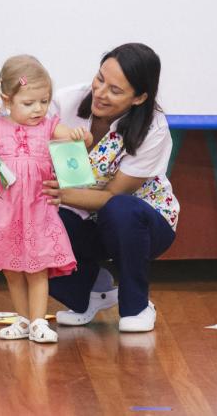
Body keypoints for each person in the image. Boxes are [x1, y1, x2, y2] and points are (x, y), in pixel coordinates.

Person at [41, 43, 179, 333]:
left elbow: (113, 196)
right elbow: (26, 145)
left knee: (120, 209)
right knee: (32, 217)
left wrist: (60, 195)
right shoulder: (65, 103)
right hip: (83, 214)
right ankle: (91, 291)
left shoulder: (153, 128)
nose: (101, 93)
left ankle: (137, 307)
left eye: (115, 90)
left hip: (141, 224)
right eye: (100, 79)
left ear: (139, 97)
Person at [0, 55, 90, 344]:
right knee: (12, 269)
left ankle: (38, 321)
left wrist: (81, 137)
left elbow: (78, 141)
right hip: (4, 213)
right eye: (29, 103)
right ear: (7, 100)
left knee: (37, 268)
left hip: (38, 210)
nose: (38, 109)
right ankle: (23, 319)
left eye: (44, 101)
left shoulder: (49, 127)